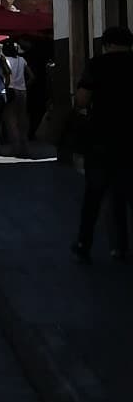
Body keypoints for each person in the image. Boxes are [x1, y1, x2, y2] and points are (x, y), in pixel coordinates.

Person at [71, 25, 133, 263]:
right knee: (126, 193)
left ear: (106, 44)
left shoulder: (97, 65)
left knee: (94, 196)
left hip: (102, 139)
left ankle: (83, 243)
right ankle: (121, 246)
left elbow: (83, 99)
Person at [3, 40, 32, 157]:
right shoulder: (22, 60)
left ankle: (15, 149)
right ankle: (25, 148)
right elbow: (32, 76)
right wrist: (24, 85)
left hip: (11, 90)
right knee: (22, 119)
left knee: (11, 121)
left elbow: (6, 76)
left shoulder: (5, 60)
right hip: (22, 91)